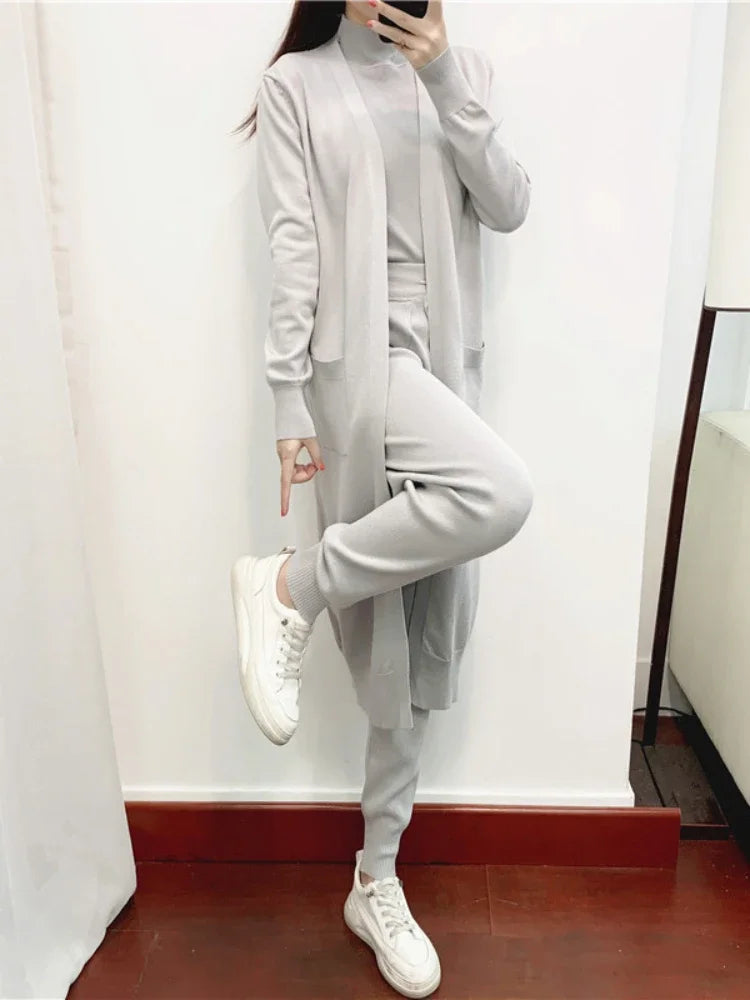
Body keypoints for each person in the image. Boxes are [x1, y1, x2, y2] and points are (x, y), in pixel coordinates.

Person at [230, 1, 533, 995]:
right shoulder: (296, 85)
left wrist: (441, 73)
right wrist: (287, 399)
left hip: (446, 372)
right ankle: (295, 586)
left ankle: (376, 878)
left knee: (422, 635)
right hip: (359, 376)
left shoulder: (462, 71)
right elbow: (294, 246)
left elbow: (509, 203)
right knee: (500, 493)